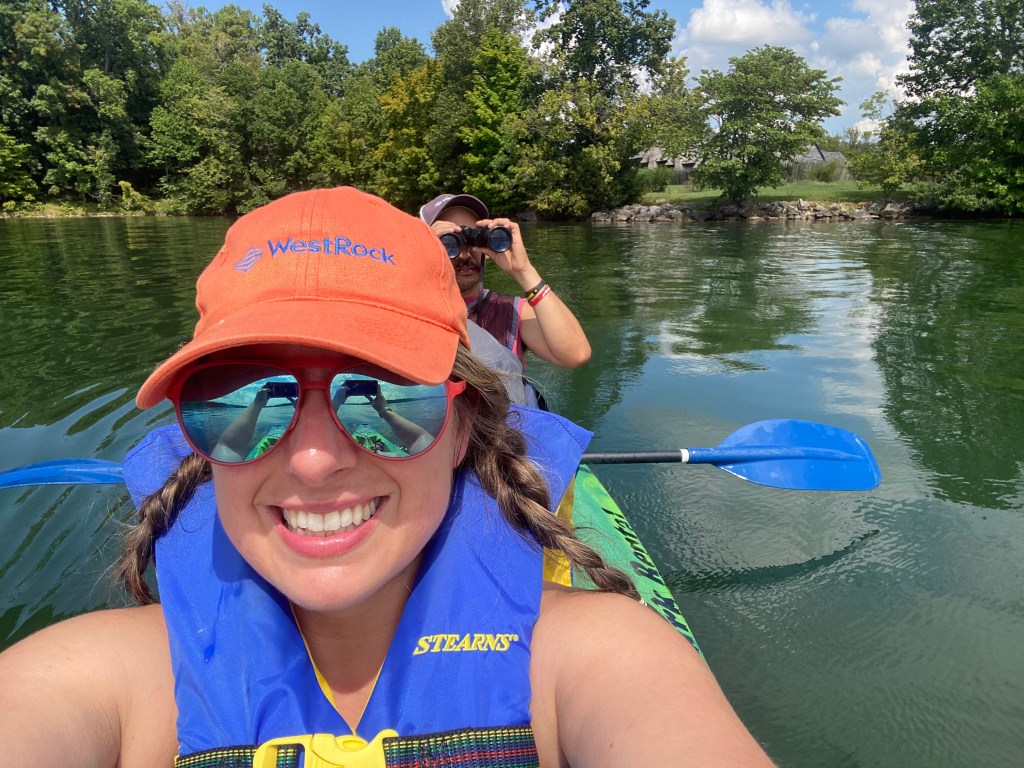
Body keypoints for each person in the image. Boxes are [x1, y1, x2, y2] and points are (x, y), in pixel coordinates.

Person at [0, 187, 775, 767]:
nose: (313, 460)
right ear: (198, 441)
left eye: (387, 396)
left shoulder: (602, 660)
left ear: (460, 425)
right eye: (241, 401)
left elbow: (572, 354)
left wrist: (520, 269)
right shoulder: (97, 679)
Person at [420, 193, 592, 372]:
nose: (464, 255)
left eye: (471, 241)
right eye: (448, 244)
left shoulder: (512, 312)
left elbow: (576, 355)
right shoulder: (410, 309)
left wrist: (524, 271)